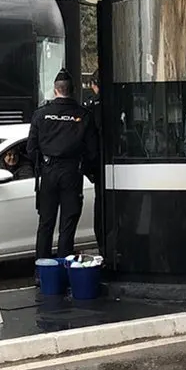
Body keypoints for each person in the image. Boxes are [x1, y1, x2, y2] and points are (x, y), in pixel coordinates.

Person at [27, 69, 98, 261]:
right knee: (68, 224)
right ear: (72, 90)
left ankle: (42, 270)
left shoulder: (41, 115)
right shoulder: (83, 115)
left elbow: (31, 148)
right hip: (71, 173)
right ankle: (64, 268)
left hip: (48, 172)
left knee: (45, 224)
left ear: (55, 90)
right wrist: (85, 169)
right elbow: (92, 151)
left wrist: (42, 166)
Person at [84, 70, 104, 254]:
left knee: (100, 208)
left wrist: (89, 169)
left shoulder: (91, 107)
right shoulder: (116, 103)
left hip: (98, 165)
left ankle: (102, 245)